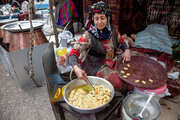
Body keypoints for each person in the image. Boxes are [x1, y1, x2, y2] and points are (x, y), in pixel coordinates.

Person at [68, 1, 131, 89]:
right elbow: (73, 53)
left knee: (130, 72)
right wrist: (76, 68)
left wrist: (127, 51)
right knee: (118, 83)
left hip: (112, 61)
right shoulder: (88, 36)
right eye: (96, 19)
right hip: (97, 67)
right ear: (92, 19)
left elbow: (122, 42)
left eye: (102, 18)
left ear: (107, 18)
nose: (100, 22)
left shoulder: (113, 31)